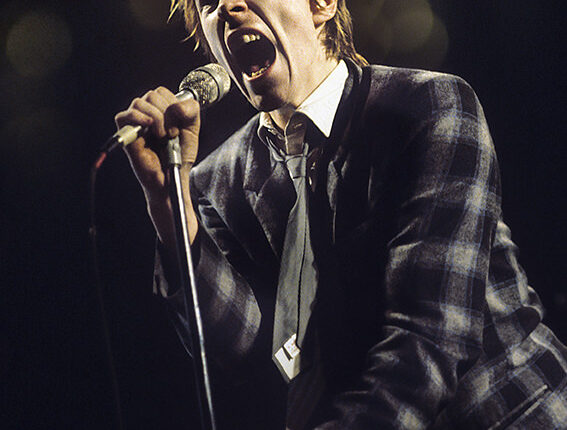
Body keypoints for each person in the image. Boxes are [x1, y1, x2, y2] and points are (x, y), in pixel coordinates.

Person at [115, 0, 567, 428]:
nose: (228, 7)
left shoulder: (427, 108)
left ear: (322, 4)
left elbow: (429, 341)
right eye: (208, 1)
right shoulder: (215, 182)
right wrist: (169, 202)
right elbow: (250, 353)